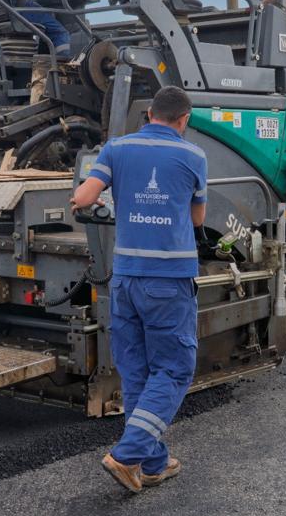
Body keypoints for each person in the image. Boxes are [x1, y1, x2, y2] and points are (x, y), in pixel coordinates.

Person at [70, 86, 208, 493]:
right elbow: (198, 218)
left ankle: (152, 463)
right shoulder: (193, 156)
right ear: (184, 120)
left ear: (149, 114)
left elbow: (84, 197)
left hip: (126, 277)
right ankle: (126, 455)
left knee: (137, 371)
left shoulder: (115, 148)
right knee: (174, 368)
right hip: (169, 280)